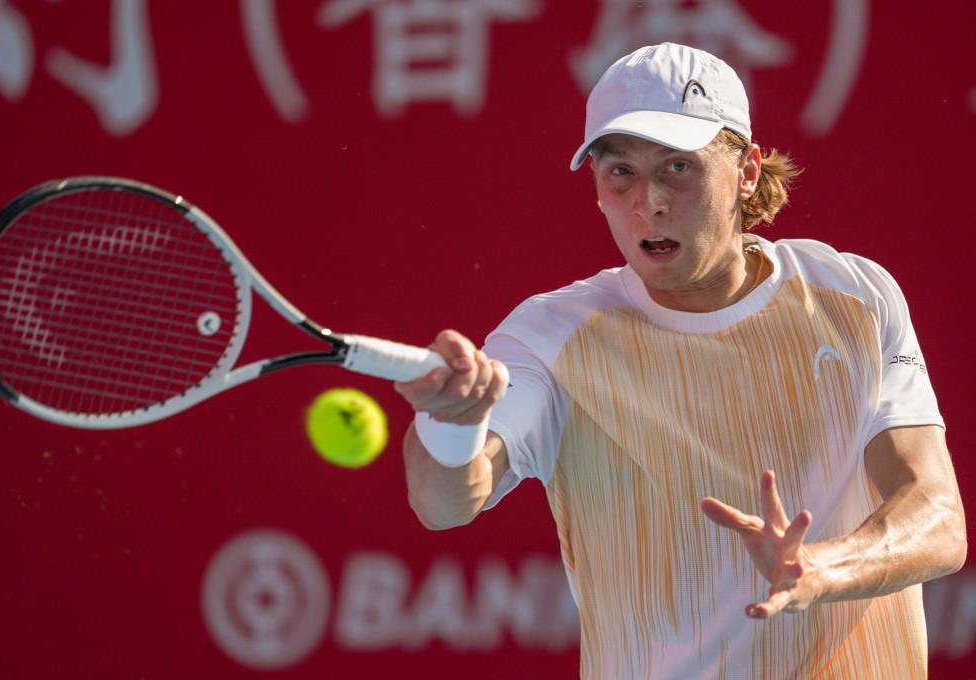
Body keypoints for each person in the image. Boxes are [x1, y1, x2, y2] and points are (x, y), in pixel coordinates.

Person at [394, 42, 966, 678]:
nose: (649, 203)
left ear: (746, 171)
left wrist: (824, 568)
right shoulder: (550, 336)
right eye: (621, 174)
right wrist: (452, 428)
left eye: (678, 168)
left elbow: (938, 517)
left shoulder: (855, 298)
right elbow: (443, 502)